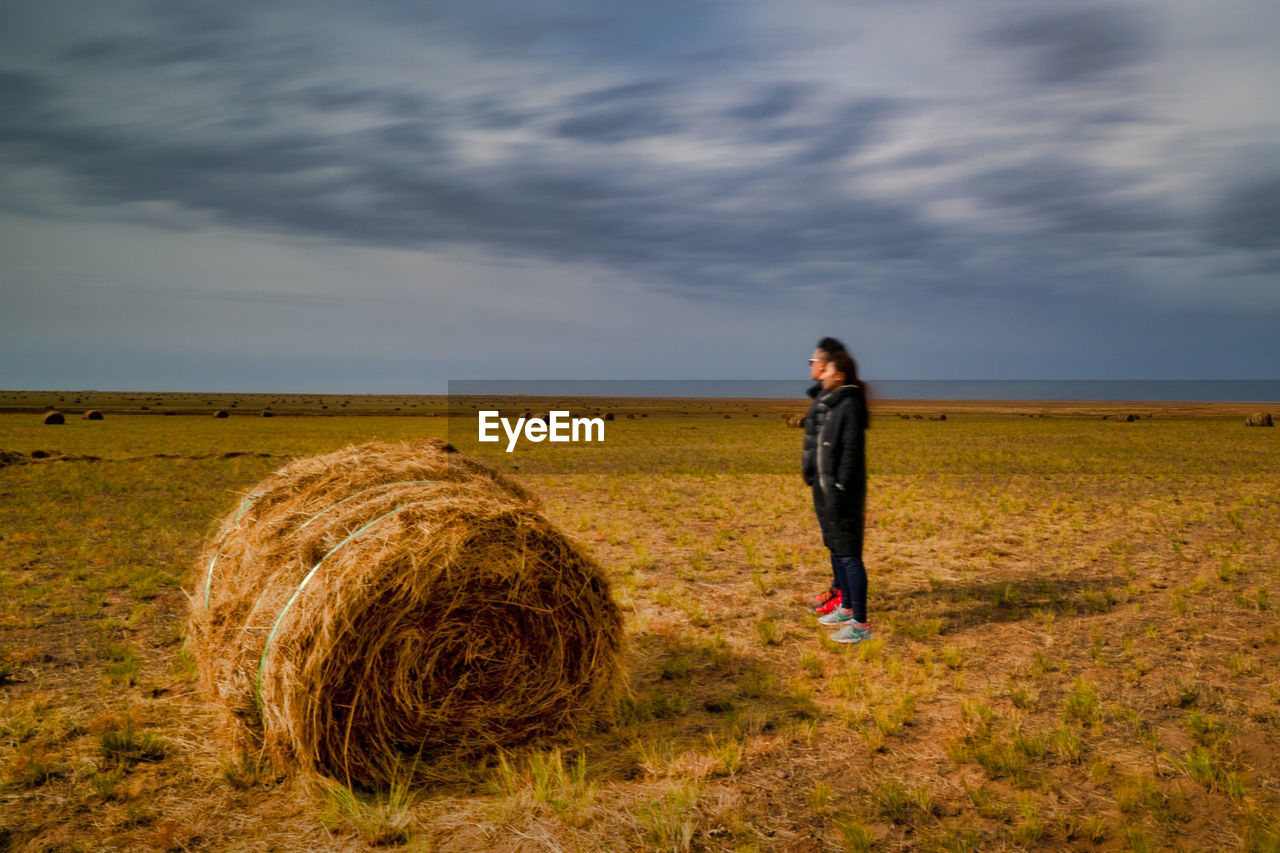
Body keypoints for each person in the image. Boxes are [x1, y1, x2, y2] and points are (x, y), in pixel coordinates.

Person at [807, 349, 873, 644]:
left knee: (849, 557)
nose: (819, 370)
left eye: (825, 366)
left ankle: (860, 624)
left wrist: (841, 487)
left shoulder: (849, 405)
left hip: (842, 496)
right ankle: (846, 608)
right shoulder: (834, 403)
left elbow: (850, 452)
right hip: (828, 492)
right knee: (836, 550)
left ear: (840, 374)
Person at [803, 337, 847, 616]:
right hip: (819, 481)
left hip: (828, 481)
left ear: (827, 364)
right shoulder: (820, 396)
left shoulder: (833, 400)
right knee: (830, 538)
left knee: (838, 540)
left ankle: (841, 596)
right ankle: (837, 588)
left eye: (814, 361)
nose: (811, 366)